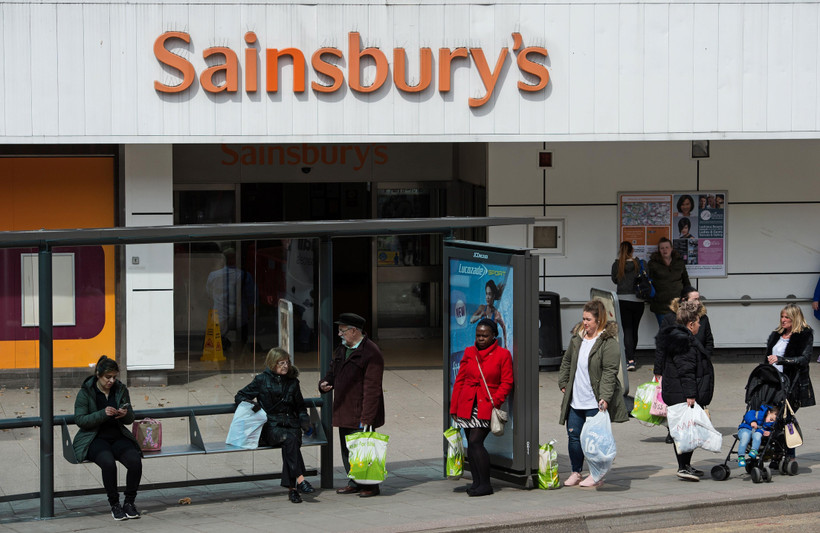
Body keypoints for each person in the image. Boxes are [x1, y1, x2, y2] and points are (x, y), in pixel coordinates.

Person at [558, 300, 628, 488]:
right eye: (583, 318)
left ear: (599, 320)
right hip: (576, 400)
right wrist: (563, 382)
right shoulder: (577, 338)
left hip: (594, 402)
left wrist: (604, 397)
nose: (585, 323)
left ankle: (597, 474)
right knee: (574, 437)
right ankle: (575, 472)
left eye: (589, 319)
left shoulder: (607, 342)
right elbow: (566, 362)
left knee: (593, 441)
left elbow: (609, 372)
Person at [235, 347, 315, 504]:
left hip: (291, 425)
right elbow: (240, 396)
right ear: (272, 364)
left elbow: (300, 407)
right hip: (271, 427)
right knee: (290, 441)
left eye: (287, 362)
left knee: (290, 444)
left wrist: (305, 421)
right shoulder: (261, 380)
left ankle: (293, 490)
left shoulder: (293, 382)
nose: (285, 366)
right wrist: (256, 408)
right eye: (281, 363)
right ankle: (300, 480)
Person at [319, 313, 385, 497]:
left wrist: (367, 417)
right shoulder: (342, 349)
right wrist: (324, 384)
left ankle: (371, 486)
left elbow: (373, 388)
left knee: (364, 449)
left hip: (361, 411)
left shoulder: (371, 352)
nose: (339, 334)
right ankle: (355, 481)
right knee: (348, 449)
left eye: (342, 331)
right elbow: (332, 371)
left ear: (354, 331)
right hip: (344, 408)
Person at [73, 356, 143, 521]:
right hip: (94, 438)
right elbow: (80, 420)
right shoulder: (86, 392)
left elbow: (130, 417)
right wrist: (102, 414)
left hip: (117, 436)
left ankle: (129, 503)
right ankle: (115, 505)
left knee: (135, 461)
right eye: (108, 377)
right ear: (98, 374)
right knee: (108, 463)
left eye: (114, 377)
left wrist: (125, 415)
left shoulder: (120, 389)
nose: (111, 380)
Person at [450, 318, 514, 496]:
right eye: (478, 335)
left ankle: (486, 484)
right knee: (471, 445)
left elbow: (507, 382)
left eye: (485, 335)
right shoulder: (469, 352)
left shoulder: (503, 355)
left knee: (475, 442)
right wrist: (454, 407)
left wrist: (496, 400)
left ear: (494, 336)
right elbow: (460, 380)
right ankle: (476, 482)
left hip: (486, 404)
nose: (480, 338)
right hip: (466, 404)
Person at [655, 300, 714, 482]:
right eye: (697, 323)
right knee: (684, 430)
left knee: (688, 429)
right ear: (690, 324)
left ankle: (686, 465)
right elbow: (686, 370)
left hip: (676, 391)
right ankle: (682, 467)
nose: (699, 326)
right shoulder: (684, 341)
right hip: (681, 393)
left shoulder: (676, 336)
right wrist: (690, 395)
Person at [764, 303, 815, 464]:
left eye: (787, 317)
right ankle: (777, 453)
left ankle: (789, 454)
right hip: (774, 382)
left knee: (785, 418)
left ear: (795, 318)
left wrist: (782, 359)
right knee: (772, 418)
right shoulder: (777, 334)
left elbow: (804, 359)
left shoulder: (804, 334)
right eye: (782, 316)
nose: (783, 320)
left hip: (793, 384)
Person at [205, 247, 258, 354]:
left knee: (217, 349)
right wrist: (250, 315)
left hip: (219, 316)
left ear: (223, 260)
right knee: (240, 346)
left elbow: (209, 295)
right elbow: (251, 299)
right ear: (236, 259)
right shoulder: (245, 276)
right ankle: (238, 362)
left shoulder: (213, 276)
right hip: (239, 317)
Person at [610, 241, 644, 371]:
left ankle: (629, 360)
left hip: (623, 300)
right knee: (634, 329)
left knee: (627, 330)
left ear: (621, 250)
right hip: (638, 300)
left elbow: (614, 280)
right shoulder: (639, 263)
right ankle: (632, 357)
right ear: (632, 250)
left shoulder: (617, 264)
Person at [648, 237, 690, 326]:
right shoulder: (653, 264)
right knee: (665, 333)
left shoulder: (679, 262)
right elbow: (649, 283)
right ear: (659, 250)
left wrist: (689, 296)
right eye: (662, 248)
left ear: (671, 248)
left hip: (678, 305)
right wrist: (652, 299)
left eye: (667, 247)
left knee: (679, 332)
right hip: (661, 306)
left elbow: (686, 281)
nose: (665, 250)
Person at [470, 280, 508, 347]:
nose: (487, 297)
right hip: (482, 345)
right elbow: (471, 320)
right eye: (486, 294)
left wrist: (505, 345)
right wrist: (479, 316)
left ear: (493, 296)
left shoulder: (496, 314)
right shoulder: (482, 308)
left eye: (489, 294)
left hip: (492, 347)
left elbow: (504, 327)